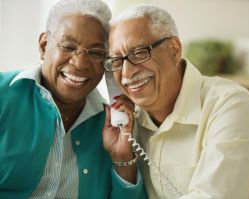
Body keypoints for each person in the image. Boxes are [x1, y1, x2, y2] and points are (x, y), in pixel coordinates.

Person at [103, 4, 249, 199]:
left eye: (139, 52)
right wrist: (123, 157)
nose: (126, 72)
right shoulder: (129, 123)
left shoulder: (231, 104)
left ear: (174, 50)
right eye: (116, 61)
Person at [0, 0, 147, 198]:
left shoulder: (112, 123)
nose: (79, 63)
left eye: (96, 53)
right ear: (44, 46)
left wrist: (122, 158)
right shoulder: (4, 95)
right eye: (68, 46)